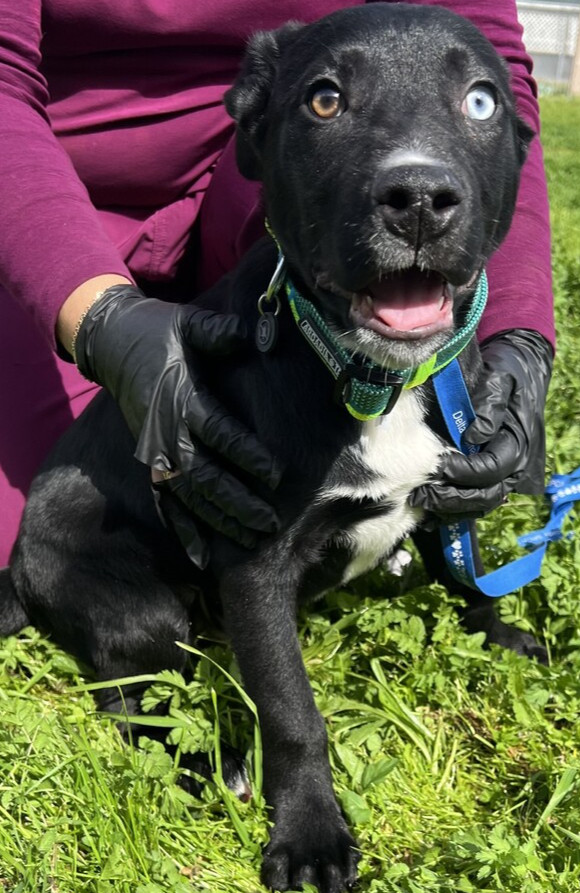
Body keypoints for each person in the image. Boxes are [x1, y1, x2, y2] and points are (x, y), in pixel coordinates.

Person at [0, 0, 554, 569]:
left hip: (262, 177)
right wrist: (100, 321)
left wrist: (522, 334)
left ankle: (356, 483)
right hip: (41, 201)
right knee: (46, 541)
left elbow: (495, 69)